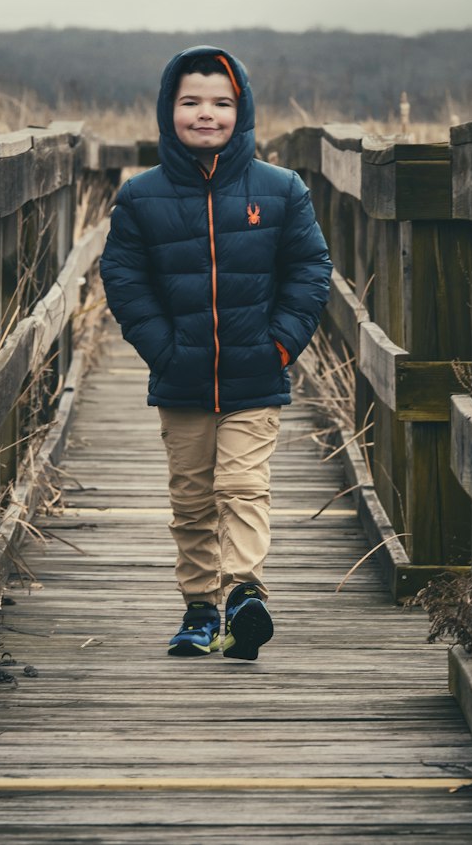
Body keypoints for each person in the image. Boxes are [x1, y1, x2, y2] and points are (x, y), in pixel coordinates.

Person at [99, 45, 332, 660]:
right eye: (191, 102)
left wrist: (281, 344)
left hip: (257, 373)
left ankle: (245, 595)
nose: (207, 115)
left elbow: (311, 268)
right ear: (167, 110)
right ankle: (200, 608)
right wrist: (162, 349)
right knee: (193, 497)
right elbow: (123, 279)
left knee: (242, 484)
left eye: (222, 103)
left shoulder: (281, 190)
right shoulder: (139, 197)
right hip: (181, 377)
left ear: (243, 109)